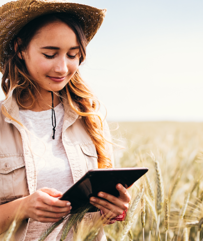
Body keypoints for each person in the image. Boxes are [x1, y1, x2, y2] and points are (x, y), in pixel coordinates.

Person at [0, 0, 131, 240]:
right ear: (20, 49)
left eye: (73, 55)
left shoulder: (91, 118)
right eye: (50, 54)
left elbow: (97, 214)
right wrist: (23, 207)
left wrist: (113, 210)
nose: (62, 68)